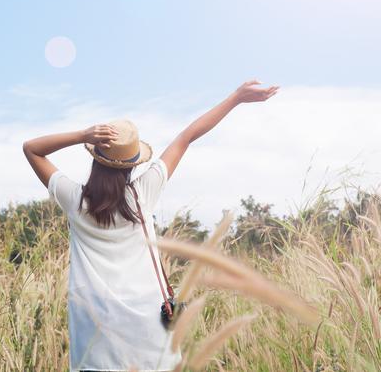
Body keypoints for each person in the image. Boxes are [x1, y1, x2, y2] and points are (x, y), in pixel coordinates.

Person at [22, 80, 279, 371]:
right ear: (132, 165)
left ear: (95, 159)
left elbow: (32, 149)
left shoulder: (75, 201)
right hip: (148, 339)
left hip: (95, 342)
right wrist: (236, 98)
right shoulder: (143, 193)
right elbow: (187, 137)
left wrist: (83, 134)